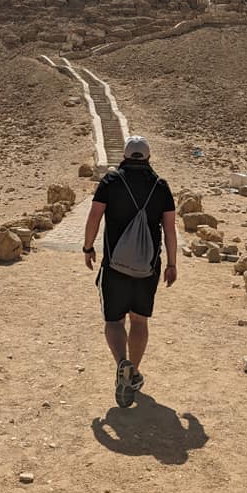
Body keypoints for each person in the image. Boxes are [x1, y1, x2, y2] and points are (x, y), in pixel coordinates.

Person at [83, 135, 177, 408]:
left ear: (124, 156)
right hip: (147, 268)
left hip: (114, 265)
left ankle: (121, 364)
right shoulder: (160, 186)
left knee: (114, 321)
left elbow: (94, 217)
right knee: (139, 321)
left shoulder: (111, 182)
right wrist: (172, 264)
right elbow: (170, 229)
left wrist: (88, 247)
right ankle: (133, 370)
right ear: (148, 158)